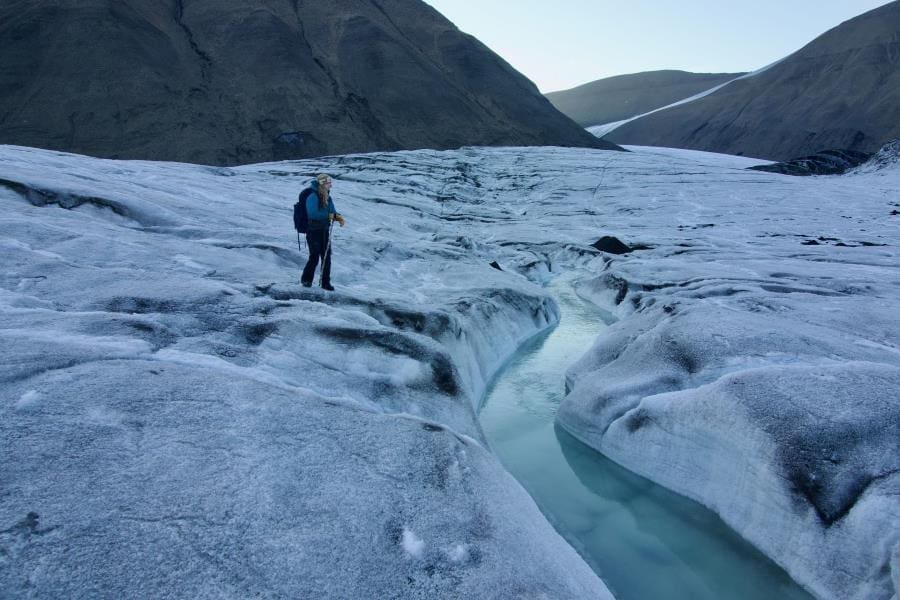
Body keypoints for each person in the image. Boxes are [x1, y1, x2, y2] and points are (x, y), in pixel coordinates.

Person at [300, 173, 346, 291]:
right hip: (313, 231)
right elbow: (313, 214)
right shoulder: (313, 196)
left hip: (324, 230)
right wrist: (329, 216)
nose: (330, 185)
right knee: (315, 256)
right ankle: (306, 280)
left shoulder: (327, 196)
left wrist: (337, 217)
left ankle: (325, 283)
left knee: (326, 257)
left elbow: (332, 211)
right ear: (322, 184)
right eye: (328, 183)